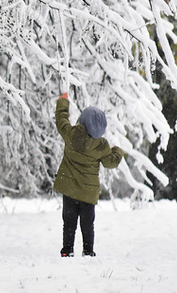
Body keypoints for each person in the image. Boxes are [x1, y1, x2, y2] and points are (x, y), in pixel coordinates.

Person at [52, 92, 124, 257]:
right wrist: (117, 151)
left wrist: (63, 102)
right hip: (88, 194)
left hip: (69, 190)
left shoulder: (71, 135)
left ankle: (67, 251)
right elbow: (110, 162)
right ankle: (88, 251)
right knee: (87, 224)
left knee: (69, 223)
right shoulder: (102, 146)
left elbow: (61, 121)